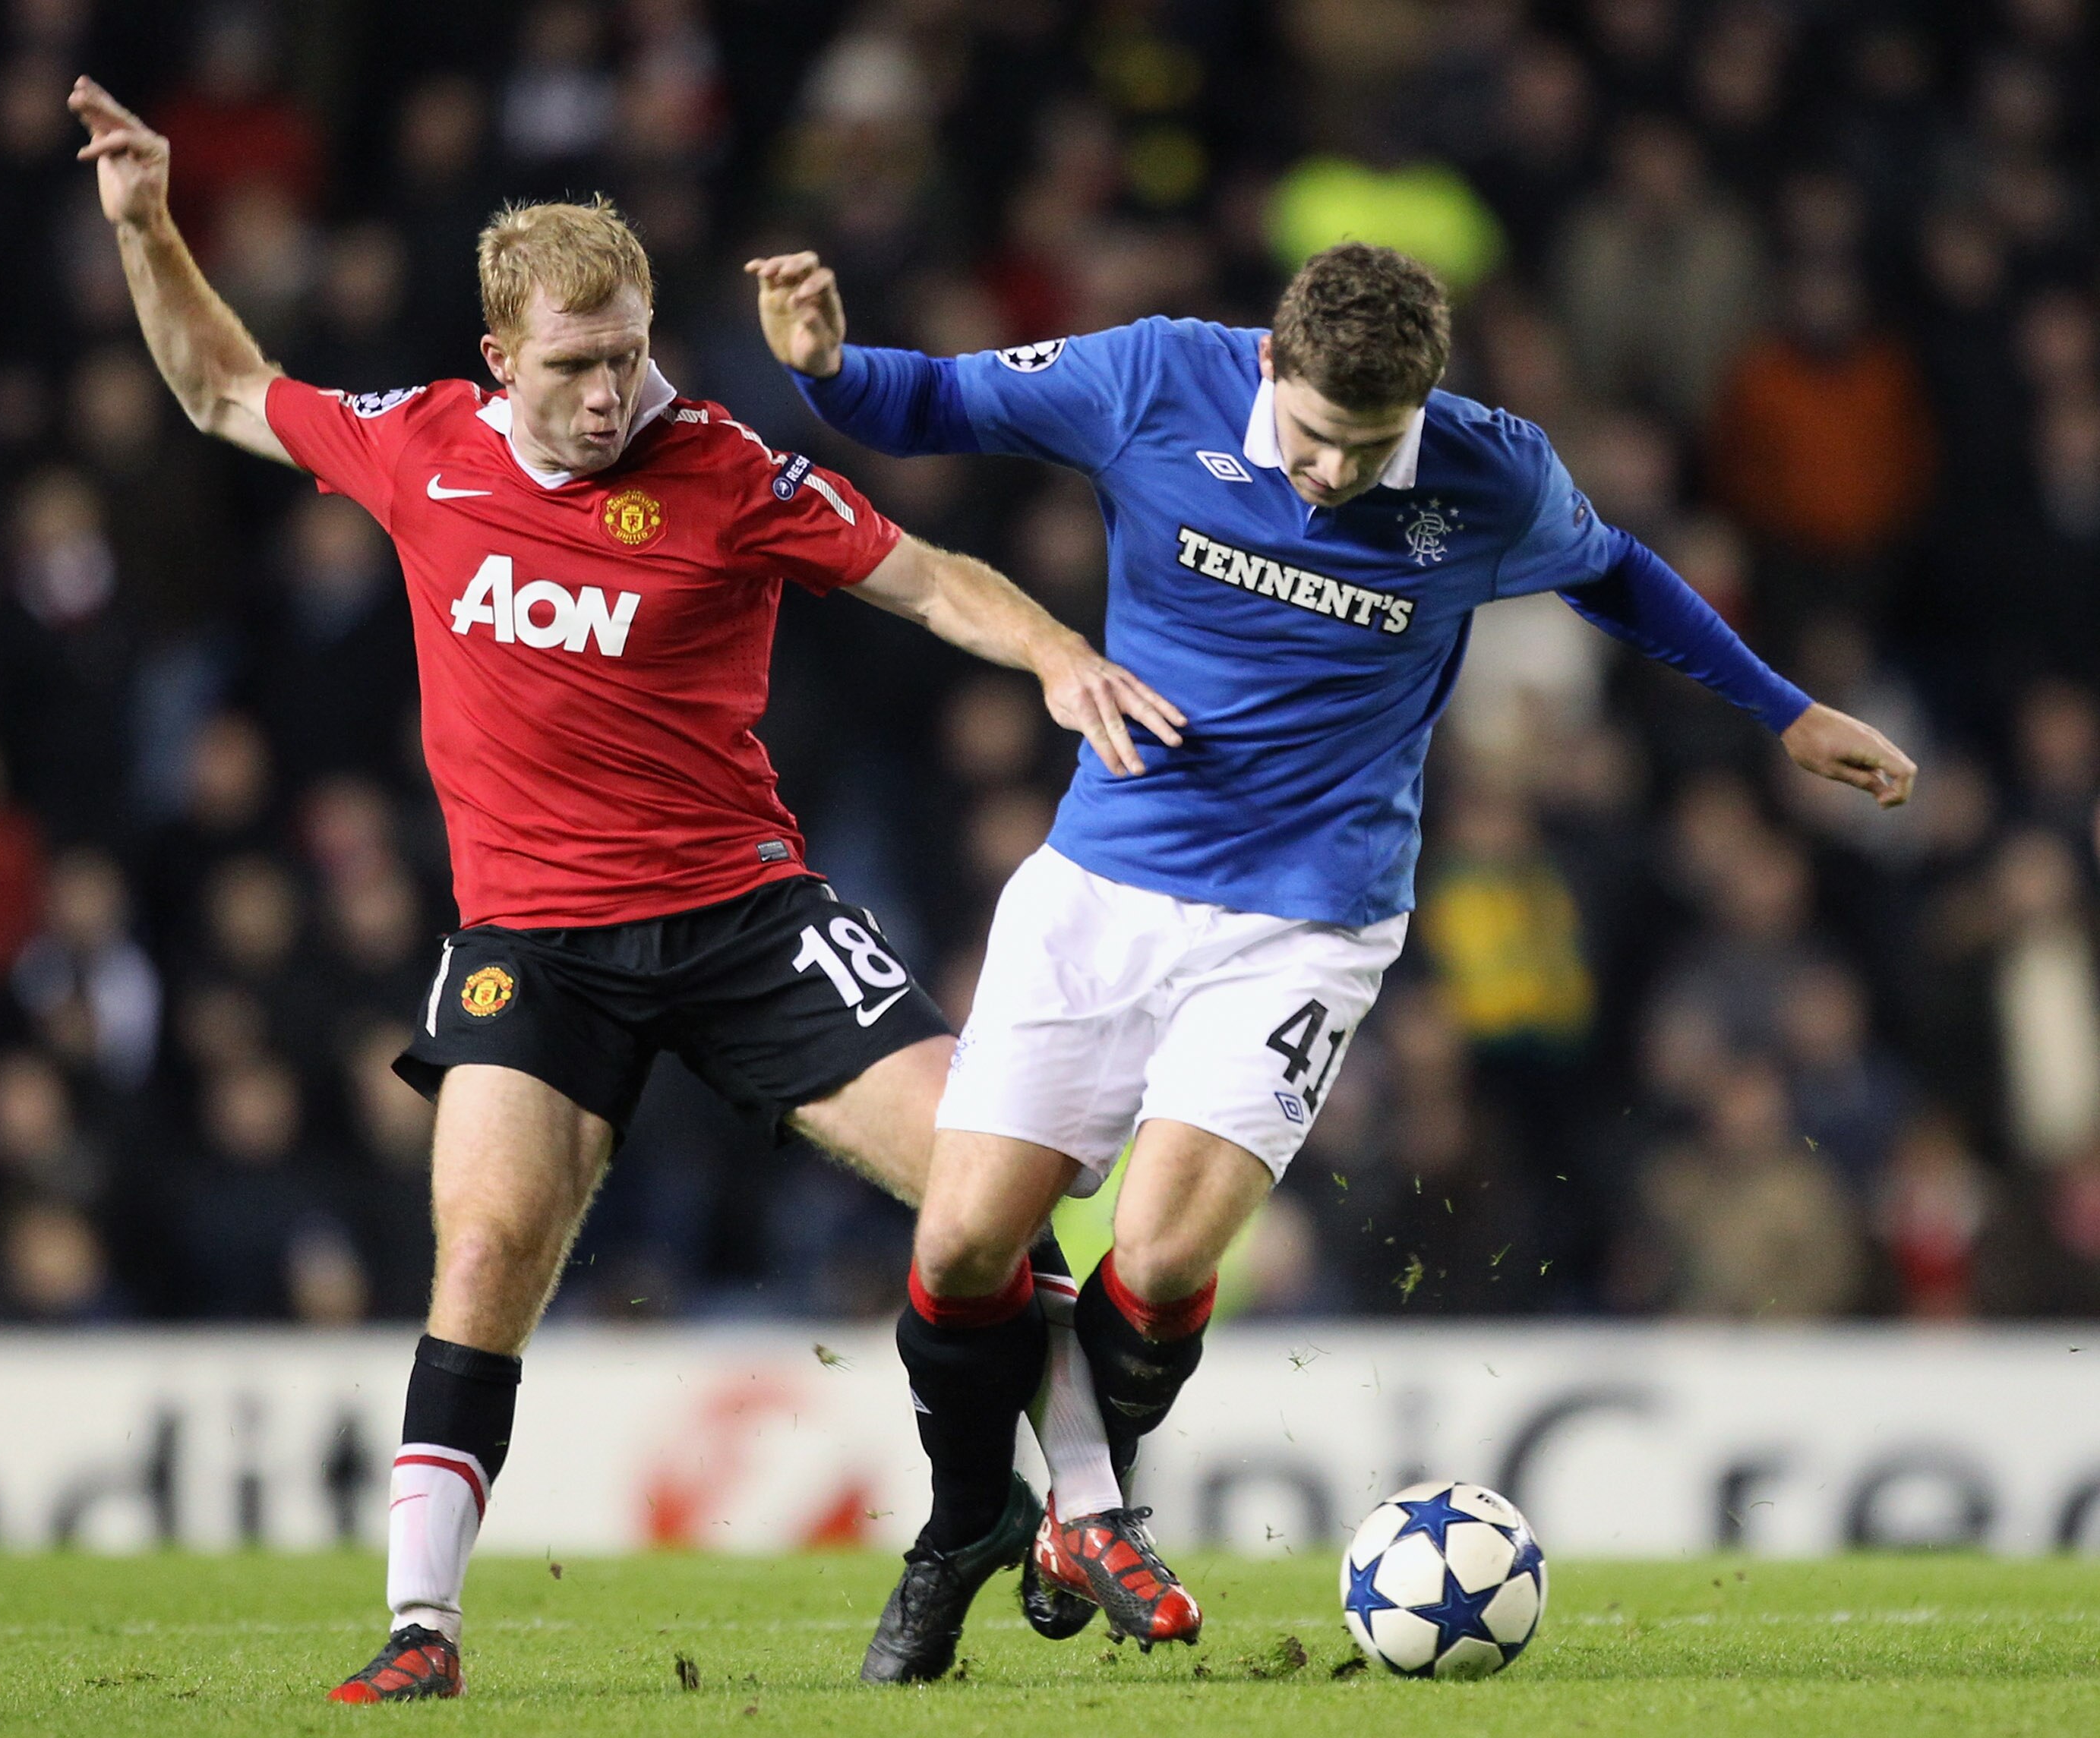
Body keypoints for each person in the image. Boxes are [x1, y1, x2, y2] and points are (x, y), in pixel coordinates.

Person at [68, 76, 1185, 1702]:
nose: (613, 394)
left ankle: (1089, 1510)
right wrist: (147, 225)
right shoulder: (419, 449)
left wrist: (1058, 652)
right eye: (577, 366)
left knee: (986, 1185)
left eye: (632, 353)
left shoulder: (725, 465)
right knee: (484, 1246)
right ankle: (422, 1628)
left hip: (746, 913)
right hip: (538, 940)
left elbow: (927, 576)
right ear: (499, 359)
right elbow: (221, 388)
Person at [752, 238, 1918, 1674]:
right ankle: (982, 1523)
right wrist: (823, 365)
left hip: (1311, 917)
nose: (1329, 476)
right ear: (1266, 368)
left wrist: (1784, 711)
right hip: (1104, 887)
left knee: (1167, 1251)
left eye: (1367, 452)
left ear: (1420, 409)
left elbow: (1616, 573)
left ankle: (1068, 1509)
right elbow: (928, 404)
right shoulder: (1151, 375)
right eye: (1309, 438)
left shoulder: (1491, 474)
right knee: (965, 1239)